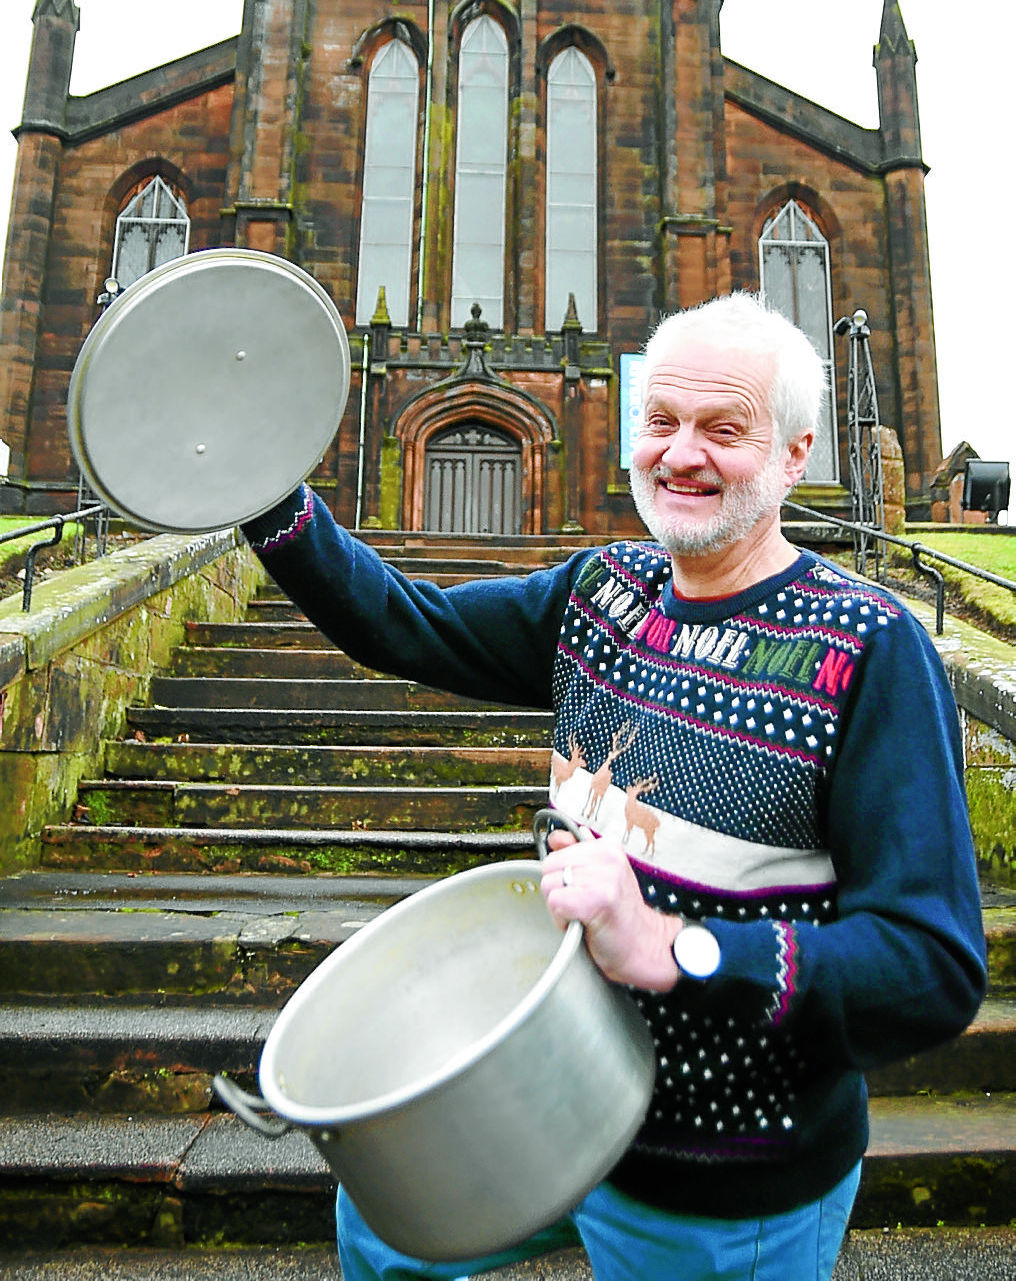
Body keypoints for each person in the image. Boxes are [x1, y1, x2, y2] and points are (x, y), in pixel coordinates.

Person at [241, 291, 986, 1281]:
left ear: (795, 453)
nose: (680, 453)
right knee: (381, 1232)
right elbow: (403, 622)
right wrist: (264, 494)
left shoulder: (867, 648)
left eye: (724, 429)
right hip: (541, 1100)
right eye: (662, 421)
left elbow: (929, 967)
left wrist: (678, 948)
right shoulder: (600, 592)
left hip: (720, 1170)